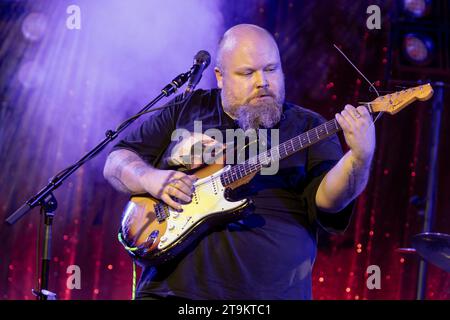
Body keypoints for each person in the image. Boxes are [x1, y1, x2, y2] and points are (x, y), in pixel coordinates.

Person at [103, 24, 375, 300]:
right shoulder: (186, 108)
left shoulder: (308, 125)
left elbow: (330, 201)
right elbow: (116, 161)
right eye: (247, 73)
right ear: (220, 76)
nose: (262, 81)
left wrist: (359, 157)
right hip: (168, 293)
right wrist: (151, 179)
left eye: (271, 69)